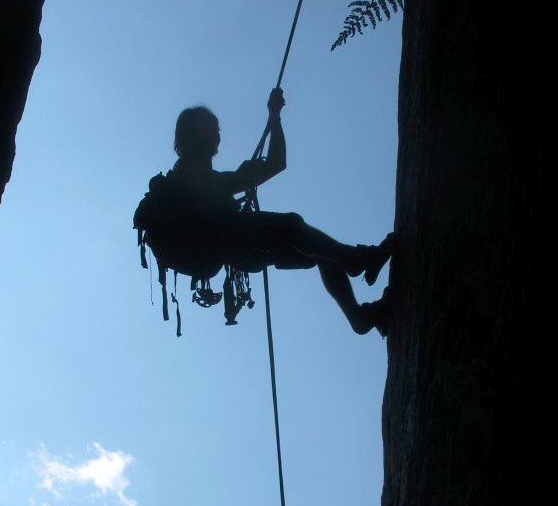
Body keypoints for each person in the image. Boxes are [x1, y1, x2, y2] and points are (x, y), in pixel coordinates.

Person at [136, 88, 392, 334]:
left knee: (320, 250)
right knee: (292, 225)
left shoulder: (189, 176)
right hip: (232, 242)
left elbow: (265, 169)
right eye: (213, 129)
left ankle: (359, 318)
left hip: (231, 250)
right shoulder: (191, 175)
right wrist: (274, 116)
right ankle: (358, 260)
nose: (218, 135)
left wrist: (243, 174)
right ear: (200, 136)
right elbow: (275, 164)